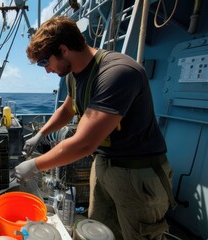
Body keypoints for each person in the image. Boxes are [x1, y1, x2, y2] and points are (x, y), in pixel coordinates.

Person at [15, 16, 175, 239]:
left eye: (45, 62)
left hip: (137, 174)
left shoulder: (117, 73)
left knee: (138, 235)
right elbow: (68, 109)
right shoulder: (74, 75)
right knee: (99, 231)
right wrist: (42, 133)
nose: (47, 70)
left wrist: (34, 165)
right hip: (103, 165)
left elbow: (84, 143)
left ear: (63, 49)